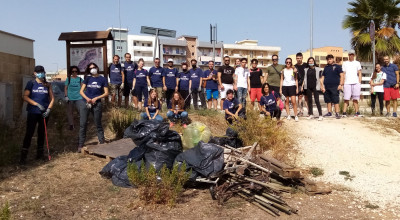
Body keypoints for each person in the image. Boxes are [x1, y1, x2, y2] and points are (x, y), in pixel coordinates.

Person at [20, 65, 55, 164]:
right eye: (38, 72)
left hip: (44, 113)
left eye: (42, 71)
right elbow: (25, 96)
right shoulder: (31, 83)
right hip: (33, 112)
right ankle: (23, 156)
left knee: (41, 132)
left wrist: (49, 109)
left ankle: (39, 154)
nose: (41, 73)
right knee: (29, 133)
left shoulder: (47, 84)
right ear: (35, 73)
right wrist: (36, 104)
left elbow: (52, 99)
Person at [79, 63, 109, 152]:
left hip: (97, 104)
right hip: (86, 103)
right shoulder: (88, 78)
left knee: (98, 123)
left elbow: (106, 93)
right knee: (83, 124)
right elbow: (81, 91)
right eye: (90, 68)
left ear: (97, 68)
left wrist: (97, 98)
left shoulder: (103, 79)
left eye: (94, 67)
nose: (92, 69)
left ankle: (101, 141)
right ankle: (80, 144)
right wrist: (87, 98)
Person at [320, 54, 344, 119]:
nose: (329, 60)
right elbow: (322, 77)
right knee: (328, 100)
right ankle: (329, 112)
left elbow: (342, 75)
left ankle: (337, 113)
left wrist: (341, 84)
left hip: (335, 86)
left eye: (330, 59)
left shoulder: (337, 66)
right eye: (328, 59)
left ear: (333, 59)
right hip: (327, 86)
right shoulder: (326, 67)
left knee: (335, 100)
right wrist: (322, 86)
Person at [342, 50, 362, 117]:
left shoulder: (357, 63)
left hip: (355, 82)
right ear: (348, 55)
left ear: (354, 55)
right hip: (347, 83)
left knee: (355, 98)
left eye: (352, 54)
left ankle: (357, 112)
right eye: (350, 54)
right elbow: (343, 73)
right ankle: (344, 112)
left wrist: (359, 81)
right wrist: (342, 83)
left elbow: (359, 72)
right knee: (346, 98)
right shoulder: (345, 63)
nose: (351, 55)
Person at [64, 65, 83, 130]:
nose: (74, 72)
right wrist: (66, 96)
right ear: (71, 72)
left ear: (77, 72)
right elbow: (66, 88)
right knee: (70, 112)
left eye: (76, 71)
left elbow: (83, 88)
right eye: (73, 71)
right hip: (70, 98)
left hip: (79, 98)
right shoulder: (68, 79)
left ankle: (82, 124)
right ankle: (71, 124)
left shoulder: (80, 79)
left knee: (81, 111)